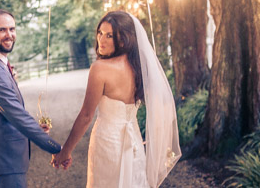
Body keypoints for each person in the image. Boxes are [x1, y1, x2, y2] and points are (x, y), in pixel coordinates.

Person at [52, 11, 181, 187]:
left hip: (107, 143)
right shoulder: (140, 68)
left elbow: (86, 116)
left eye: (109, 36)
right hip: (134, 142)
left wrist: (65, 151)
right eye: (100, 33)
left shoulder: (100, 68)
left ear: (123, 39)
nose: (101, 40)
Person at [0, 9, 62, 188]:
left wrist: (35, 127)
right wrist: (58, 149)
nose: (9, 35)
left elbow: (6, 112)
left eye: (12, 29)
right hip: (5, 162)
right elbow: (18, 117)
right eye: (2, 30)